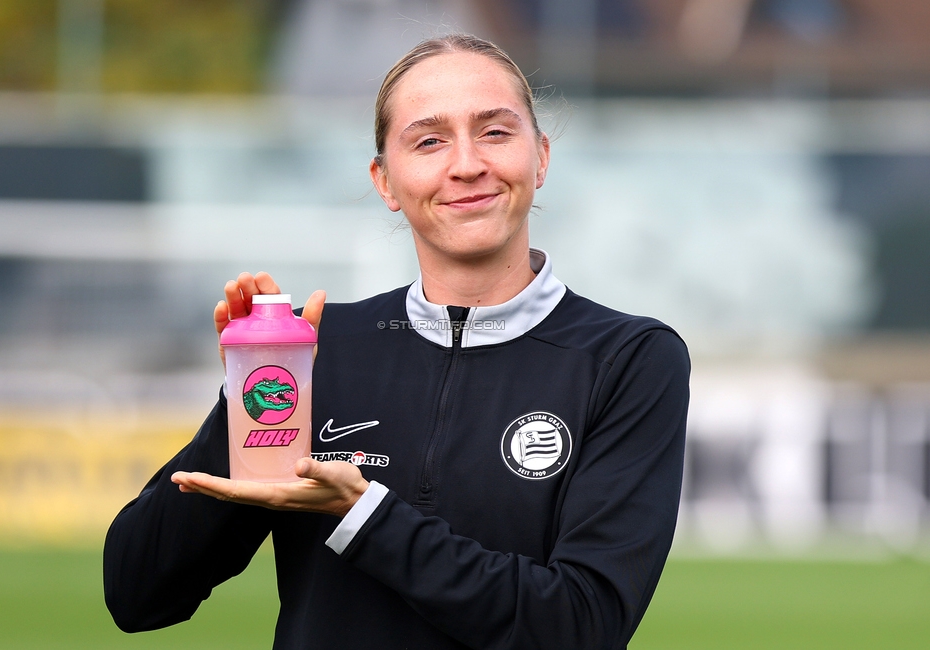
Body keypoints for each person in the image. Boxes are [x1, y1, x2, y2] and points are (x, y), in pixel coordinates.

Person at [103, 34, 689, 650]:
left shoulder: (629, 359)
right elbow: (137, 594)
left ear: (540, 158)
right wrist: (250, 398)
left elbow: (579, 627)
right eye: (429, 140)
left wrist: (364, 517)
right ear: (385, 180)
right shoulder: (321, 350)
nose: (466, 164)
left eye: (495, 131)